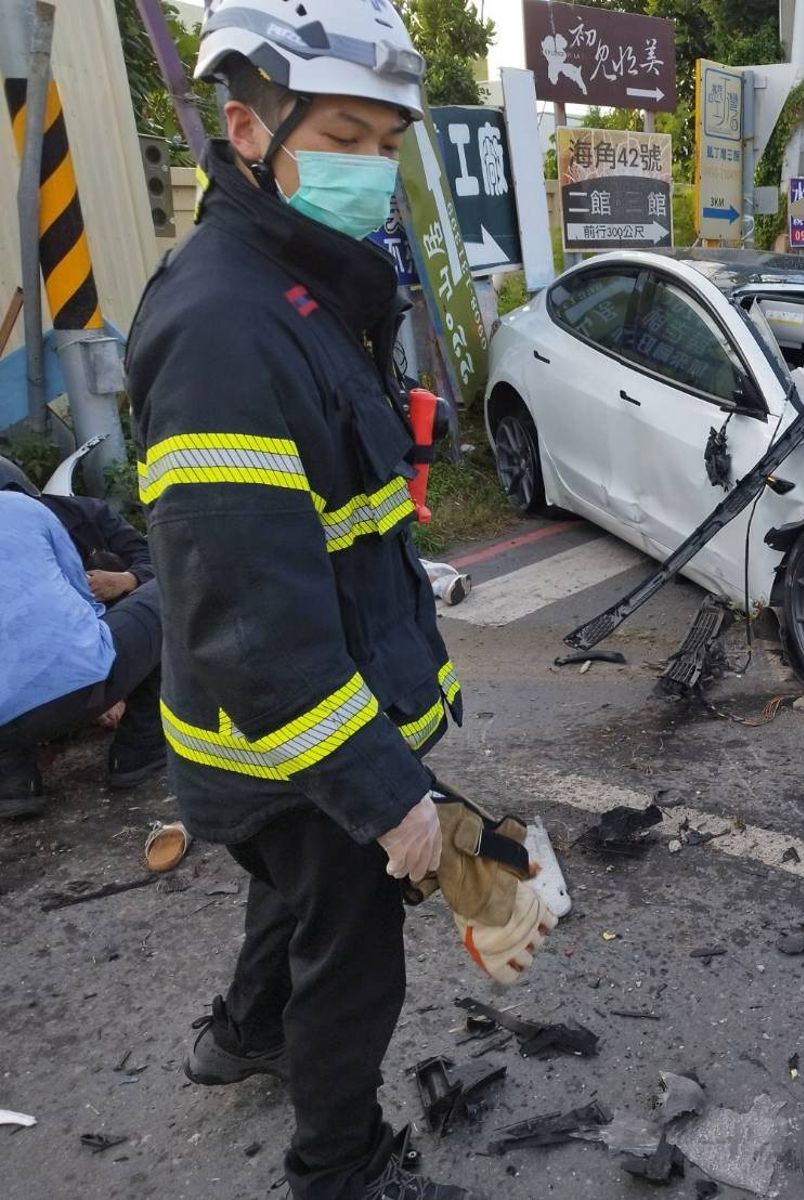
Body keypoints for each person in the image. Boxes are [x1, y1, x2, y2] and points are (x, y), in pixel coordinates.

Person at [122, 1, 483, 1195]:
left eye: (388, 144)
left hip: (292, 733)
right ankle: (342, 1166)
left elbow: (325, 526)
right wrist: (391, 800)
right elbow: (250, 626)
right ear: (246, 127)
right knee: (354, 959)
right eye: (343, 135)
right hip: (290, 741)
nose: (370, 170)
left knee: (292, 903)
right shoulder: (227, 323)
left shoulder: (305, 288)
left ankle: (240, 1037)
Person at [0, 467, 165, 817]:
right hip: (76, 681)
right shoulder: (28, 510)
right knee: (167, 592)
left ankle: (13, 782)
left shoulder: (87, 513)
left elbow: (149, 556)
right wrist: (109, 685)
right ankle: (139, 749)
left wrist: (125, 579)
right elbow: (82, 605)